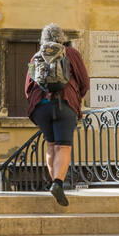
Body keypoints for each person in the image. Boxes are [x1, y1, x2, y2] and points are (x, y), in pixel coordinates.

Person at [25, 24, 90, 207]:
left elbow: (28, 88)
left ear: (43, 40)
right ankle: (58, 183)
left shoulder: (37, 56)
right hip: (65, 104)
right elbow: (84, 82)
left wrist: (37, 105)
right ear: (62, 37)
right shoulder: (71, 53)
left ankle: (54, 183)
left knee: (51, 145)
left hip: (41, 107)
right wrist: (76, 97)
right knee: (64, 146)